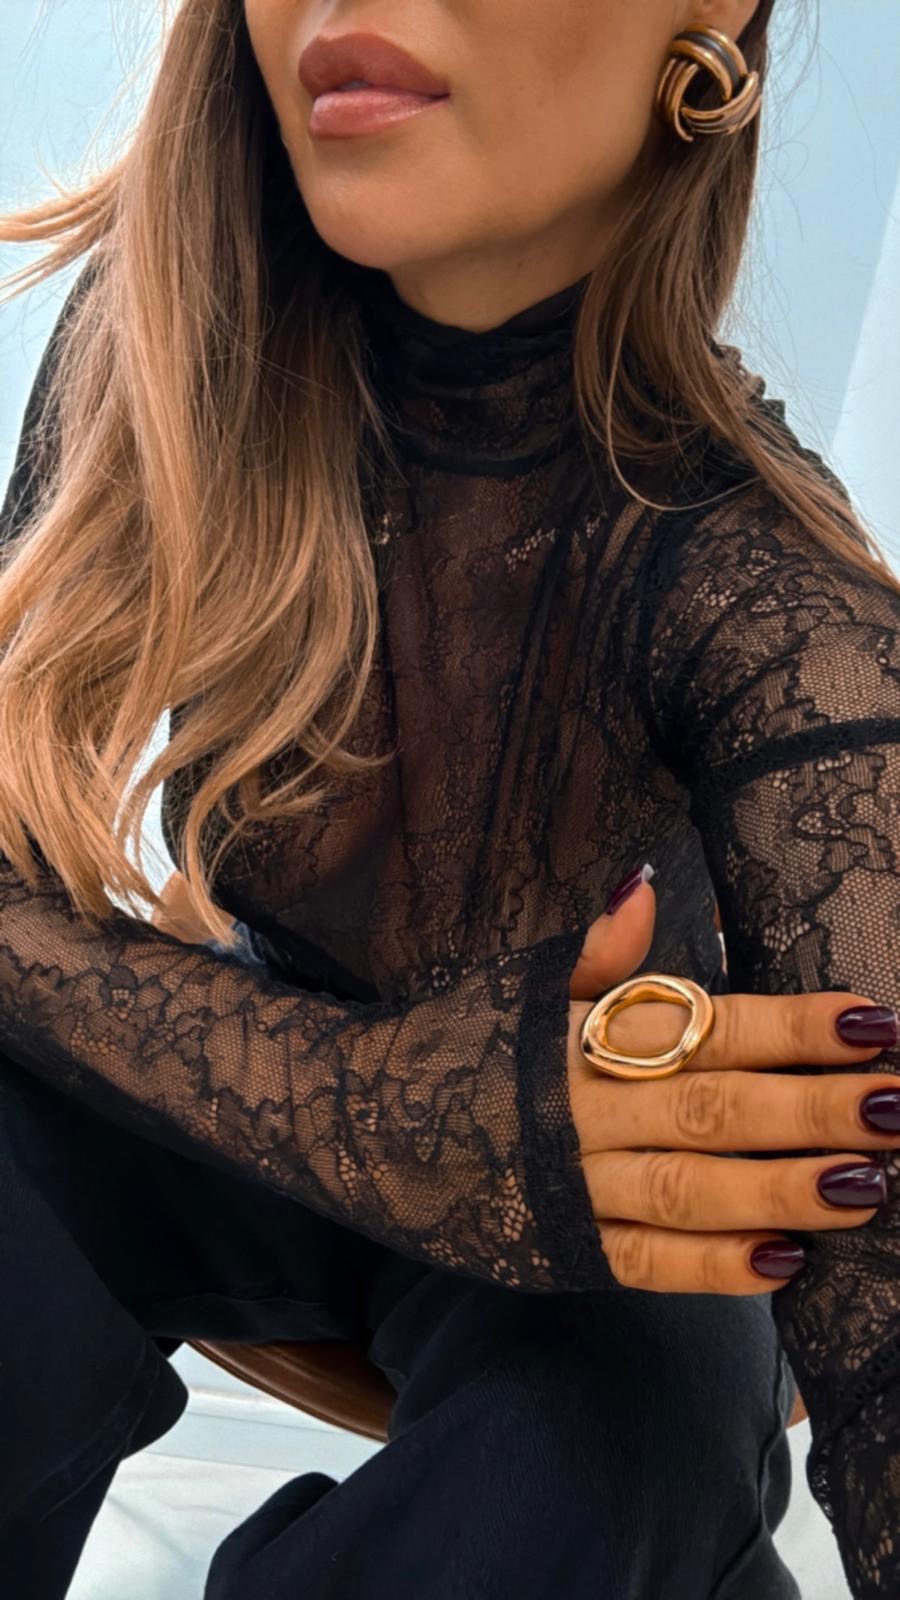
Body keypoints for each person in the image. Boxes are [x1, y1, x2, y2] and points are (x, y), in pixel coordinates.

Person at [0, 2, 898, 1596]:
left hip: (612, 1199)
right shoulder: (171, 334)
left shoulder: (774, 607)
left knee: (577, 1477)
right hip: (244, 1088)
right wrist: (374, 1103)